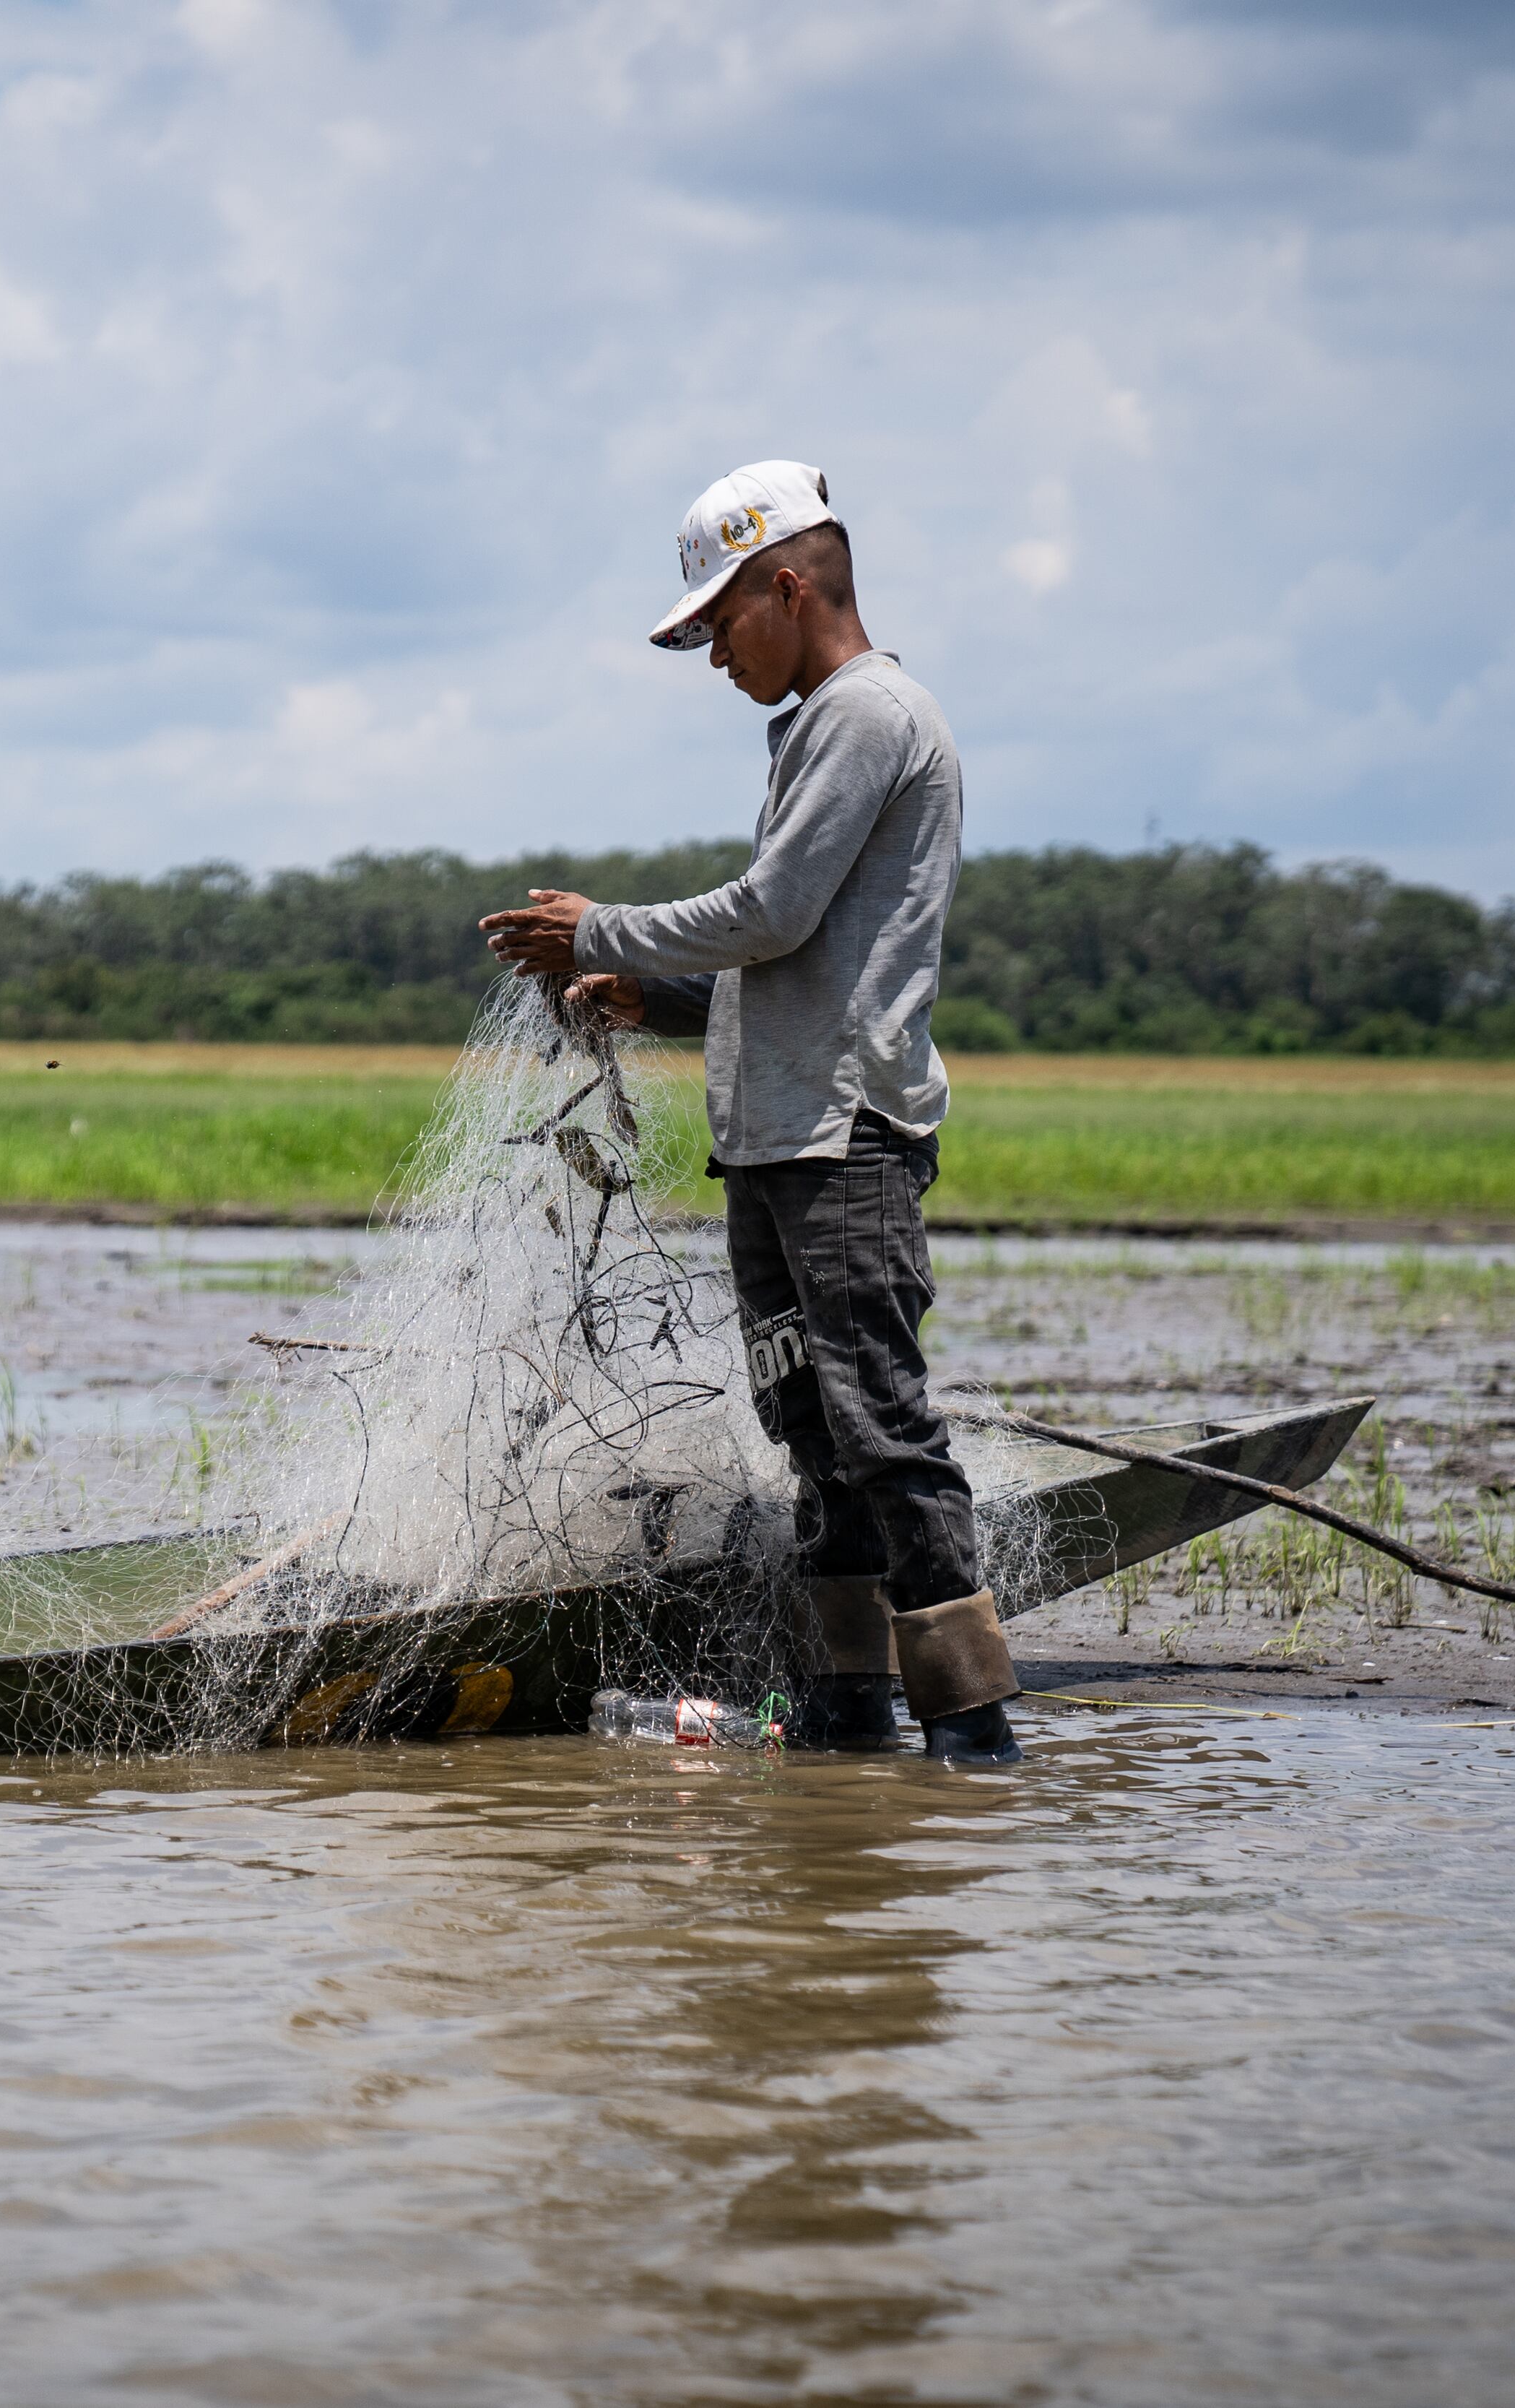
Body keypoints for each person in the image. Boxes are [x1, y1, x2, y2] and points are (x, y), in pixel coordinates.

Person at [480, 459, 1020, 1763]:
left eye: (721, 624)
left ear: (790, 585)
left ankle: (972, 1725)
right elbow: (792, 970)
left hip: (846, 1142)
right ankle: (849, 1710)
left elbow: (769, 911)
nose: (716, 655)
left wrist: (598, 921)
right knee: (813, 1429)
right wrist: (641, 993)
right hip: (779, 1141)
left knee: (879, 1422)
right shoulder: (817, 727)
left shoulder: (869, 714)